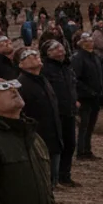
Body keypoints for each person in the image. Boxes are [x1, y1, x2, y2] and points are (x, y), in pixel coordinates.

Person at [15, 48, 62, 186]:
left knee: (51, 181)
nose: (35, 55)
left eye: (36, 53)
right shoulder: (21, 85)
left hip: (53, 137)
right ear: (20, 64)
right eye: (27, 55)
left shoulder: (43, 80)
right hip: (36, 140)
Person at [40, 40, 79, 186]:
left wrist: (75, 100)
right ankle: (53, 178)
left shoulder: (67, 67)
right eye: (55, 49)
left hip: (69, 111)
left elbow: (73, 86)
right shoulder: (45, 69)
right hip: (54, 114)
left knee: (70, 144)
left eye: (61, 48)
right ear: (48, 53)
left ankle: (65, 175)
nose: (60, 51)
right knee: (55, 146)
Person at [70, 32, 103, 159]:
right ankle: (81, 151)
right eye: (87, 41)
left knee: (91, 125)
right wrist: (88, 91)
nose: (91, 43)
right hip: (84, 97)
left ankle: (88, 150)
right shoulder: (78, 58)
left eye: (91, 40)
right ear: (81, 44)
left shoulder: (94, 56)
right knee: (84, 125)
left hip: (95, 97)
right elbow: (75, 79)